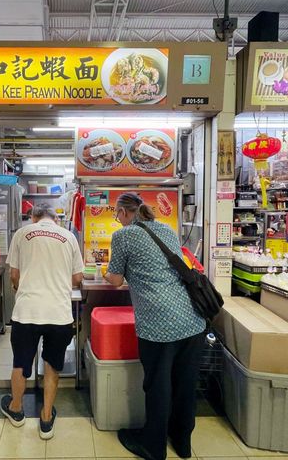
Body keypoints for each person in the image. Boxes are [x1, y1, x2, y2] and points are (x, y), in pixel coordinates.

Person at [104, 192, 206, 460]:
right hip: (192, 318)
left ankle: (153, 446)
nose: (118, 220)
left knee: (158, 384)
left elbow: (115, 281)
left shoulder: (123, 236)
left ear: (125, 213)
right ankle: (182, 443)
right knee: (185, 383)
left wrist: (106, 271)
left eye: (117, 215)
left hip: (159, 322)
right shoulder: (166, 229)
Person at [0, 203, 84, 440]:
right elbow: (77, 278)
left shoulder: (22, 233)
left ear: (33, 217)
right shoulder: (69, 237)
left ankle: (16, 409)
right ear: (55, 218)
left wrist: (21, 286)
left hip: (27, 311)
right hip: (58, 313)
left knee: (20, 363)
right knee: (52, 365)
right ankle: (46, 418)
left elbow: (14, 274)